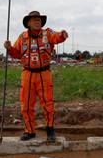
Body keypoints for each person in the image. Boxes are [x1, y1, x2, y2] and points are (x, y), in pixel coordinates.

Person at [4, 11, 68, 141]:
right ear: (28, 23)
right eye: (34, 19)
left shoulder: (47, 33)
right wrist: (9, 48)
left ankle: (50, 130)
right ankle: (29, 131)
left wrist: (62, 35)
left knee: (48, 104)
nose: (37, 21)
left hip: (44, 74)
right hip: (27, 74)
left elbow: (57, 37)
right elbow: (17, 53)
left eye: (39, 19)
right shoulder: (22, 37)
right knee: (26, 105)